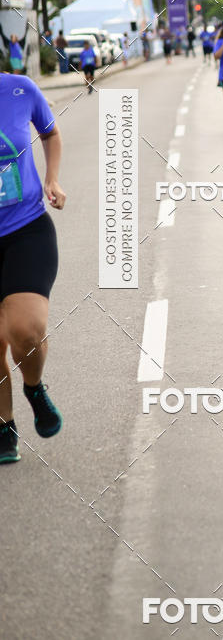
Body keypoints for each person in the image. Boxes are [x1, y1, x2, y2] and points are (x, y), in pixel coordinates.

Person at [0, 71, 66, 463]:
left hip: (26, 229)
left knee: (24, 329)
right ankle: (4, 426)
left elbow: (50, 133)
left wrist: (52, 179)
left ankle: (34, 386)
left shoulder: (19, 88)